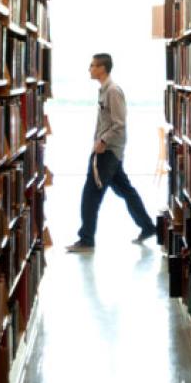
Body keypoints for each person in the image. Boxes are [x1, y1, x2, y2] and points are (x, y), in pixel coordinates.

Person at [66, 53, 157, 252]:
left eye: (92, 65)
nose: (89, 69)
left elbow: (119, 124)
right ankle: (148, 227)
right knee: (125, 190)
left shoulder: (113, 92)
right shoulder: (104, 91)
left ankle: (86, 240)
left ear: (102, 68)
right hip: (108, 152)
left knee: (90, 194)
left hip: (107, 152)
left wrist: (103, 141)